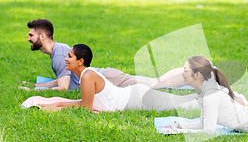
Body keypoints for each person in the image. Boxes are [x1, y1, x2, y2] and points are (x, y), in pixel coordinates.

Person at [22, 44, 199, 112]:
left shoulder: (87, 76)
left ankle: (209, 85)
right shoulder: (85, 75)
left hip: (136, 98)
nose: (66, 59)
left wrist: (53, 104)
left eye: (70, 56)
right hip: (133, 97)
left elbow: (84, 106)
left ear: (80, 61)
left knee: (186, 106)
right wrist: (49, 101)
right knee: (183, 103)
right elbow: (84, 102)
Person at [22, 19, 184, 91]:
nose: (28, 39)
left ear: (42, 36)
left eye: (31, 35)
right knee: (154, 82)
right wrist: (36, 86)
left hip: (109, 78)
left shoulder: (58, 55)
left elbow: (63, 88)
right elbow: (65, 81)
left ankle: (189, 73)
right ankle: (188, 73)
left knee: (156, 84)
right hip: (106, 77)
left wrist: (33, 92)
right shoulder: (58, 50)